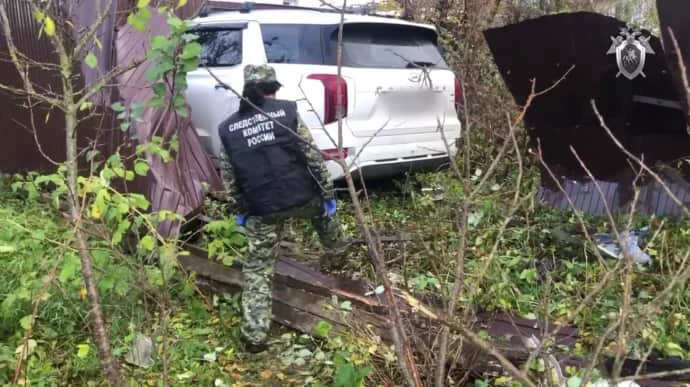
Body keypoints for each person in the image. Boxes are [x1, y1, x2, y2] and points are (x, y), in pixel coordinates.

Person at [216, 64, 349, 353]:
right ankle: (340, 259)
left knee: (257, 269)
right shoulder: (288, 112)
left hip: (263, 208)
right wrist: (327, 193)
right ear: (273, 90)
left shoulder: (227, 128)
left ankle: (254, 337)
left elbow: (230, 177)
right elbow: (312, 156)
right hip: (304, 198)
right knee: (326, 220)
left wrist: (241, 209)